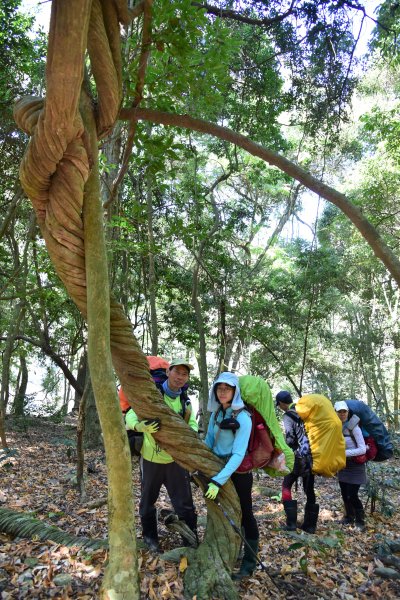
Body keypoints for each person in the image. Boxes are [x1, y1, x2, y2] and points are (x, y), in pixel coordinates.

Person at [126, 358, 198, 551]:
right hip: (150, 459)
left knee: (185, 505)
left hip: (175, 460)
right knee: (147, 500)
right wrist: (139, 426)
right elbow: (131, 414)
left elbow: (192, 424)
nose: (180, 377)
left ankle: (190, 540)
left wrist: (190, 433)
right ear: (168, 372)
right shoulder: (153, 396)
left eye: (184, 374)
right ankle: (150, 539)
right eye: (177, 372)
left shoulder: (185, 401)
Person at [204, 372, 258, 580]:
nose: (223, 392)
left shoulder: (243, 417)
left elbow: (238, 454)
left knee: (245, 514)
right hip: (216, 468)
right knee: (220, 512)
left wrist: (218, 480)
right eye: (219, 388)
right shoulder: (217, 413)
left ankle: (248, 563)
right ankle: (227, 552)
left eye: (227, 388)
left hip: (239, 474)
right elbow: (209, 440)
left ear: (235, 391)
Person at [276, 390, 318, 534]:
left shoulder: (288, 415)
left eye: (279, 405)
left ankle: (291, 525)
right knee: (309, 490)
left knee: (286, 486)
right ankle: (310, 526)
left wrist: (285, 451)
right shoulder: (303, 412)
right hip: (310, 457)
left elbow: (290, 437)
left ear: (281, 403)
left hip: (297, 458)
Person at [334, 400, 367, 528]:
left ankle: (360, 521)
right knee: (344, 494)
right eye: (339, 412)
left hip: (355, 466)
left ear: (348, 412)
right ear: (335, 413)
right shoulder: (335, 427)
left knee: (352, 495)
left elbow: (362, 449)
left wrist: (344, 454)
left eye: (344, 411)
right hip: (343, 466)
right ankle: (349, 517)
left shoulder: (354, 427)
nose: (342, 414)